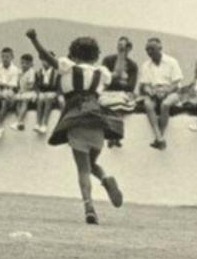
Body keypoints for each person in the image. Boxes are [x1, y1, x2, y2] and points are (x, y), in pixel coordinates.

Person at [26, 29, 124, 225]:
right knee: (92, 163)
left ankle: (89, 206)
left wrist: (34, 39)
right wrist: (121, 53)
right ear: (96, 55)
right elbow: (118, 73)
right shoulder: (101, 72)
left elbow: (47, 56)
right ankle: (105, 178)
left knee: (82, 168)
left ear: (74, 54)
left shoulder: (68, 67)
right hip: (97, 120)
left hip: (76, 118)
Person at [138, 38, 183, 151]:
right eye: (147, 49)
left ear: (160, 48)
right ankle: (159, 138)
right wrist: (150, 91)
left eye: (152, 49)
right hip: (154, 92)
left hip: (171, 91)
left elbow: (176, 83)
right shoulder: (146, 65)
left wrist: (165, 91)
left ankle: (160, 136)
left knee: (166, 104)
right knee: (147, 105)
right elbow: (145, 85)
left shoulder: (172, 62)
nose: (149, 52)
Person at [0, 47, 21, 140]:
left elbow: (12, 86)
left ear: (12, 57)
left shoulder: (15, 70)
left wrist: (3, 85)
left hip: (10, 91)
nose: (5, 58)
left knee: (5, 102)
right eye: (3, 56)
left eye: (7, 56)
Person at [33, 58, 58, 135]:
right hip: (42, 93)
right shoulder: (39, 72)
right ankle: (38, 123)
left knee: (49, 98)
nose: (45, 62)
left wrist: (55, 93)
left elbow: (59, 86)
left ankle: (44, 123)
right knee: (40, 98)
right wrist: (38, 93)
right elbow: (36, 86)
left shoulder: (56, 73)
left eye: (47, 60)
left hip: (52, 92)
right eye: (43, 60)